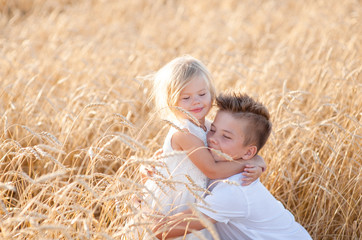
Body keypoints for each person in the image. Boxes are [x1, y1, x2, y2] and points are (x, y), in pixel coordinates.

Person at [151, 92, 313, 240]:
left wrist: (141, 202)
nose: (213, 139)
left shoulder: (233, 190)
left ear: (248, 153)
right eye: (212, 130)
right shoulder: (215, 166)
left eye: (226, 137)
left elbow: (163, 230)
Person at [143, 56, 266, 239]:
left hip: (194, 198)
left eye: (202, 94)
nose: (196, 102)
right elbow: (212, 169)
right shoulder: (184, 132)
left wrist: (259, 161)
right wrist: (248, 162)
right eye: (186, 98)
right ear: (171, 101)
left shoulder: (209, 127)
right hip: (174, 202)